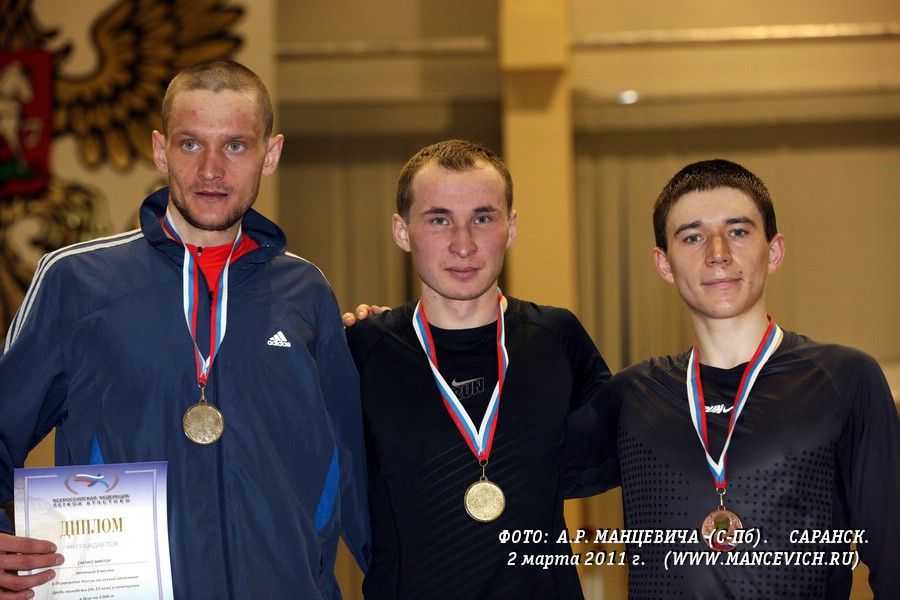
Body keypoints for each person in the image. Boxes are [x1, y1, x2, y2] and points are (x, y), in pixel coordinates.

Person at [0, 59, 369, 599]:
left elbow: (358, 472)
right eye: (190, 144)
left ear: (270, 154)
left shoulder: (306, 293)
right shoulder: (76, 282)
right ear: (160, 149)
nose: (210, 170)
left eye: (235, 146)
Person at [610, 159, 898, 598]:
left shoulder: (845, 380)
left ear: (774, 252)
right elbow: (527, 471)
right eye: (692, 237)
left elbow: (893, 557)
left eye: (739, 231)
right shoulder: (633, 395)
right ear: (664, 264)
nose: (718, 253)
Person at [344, 139, 618, 599]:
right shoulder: (363, 349)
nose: (463, 244)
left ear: (511, 228)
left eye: (483, 218)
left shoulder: (557, 337)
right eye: (439, 219)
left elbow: (611, 457)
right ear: (401, 231)